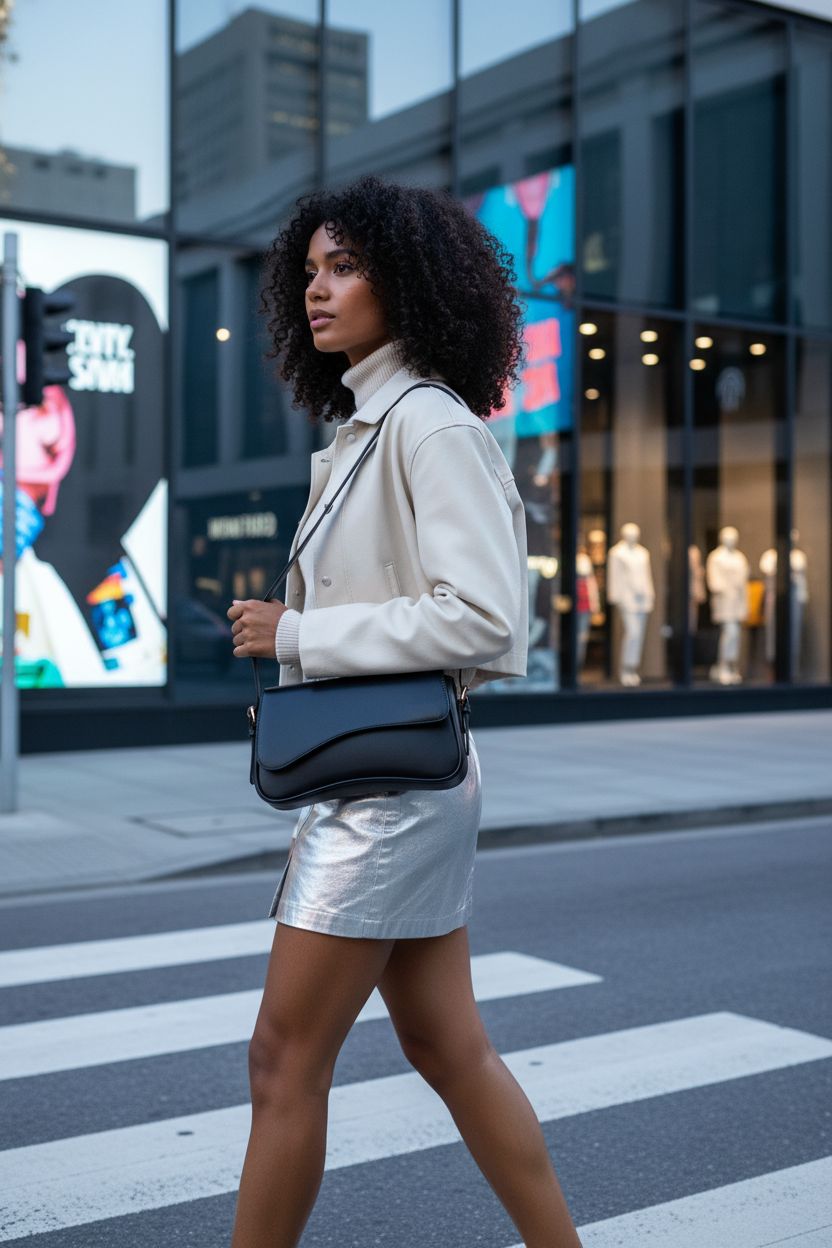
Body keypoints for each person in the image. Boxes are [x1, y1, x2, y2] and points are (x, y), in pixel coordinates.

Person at [226, 175, 583, 1248]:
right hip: (379, 772)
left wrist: (298, 634)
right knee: (445, 1044)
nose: (316, 291)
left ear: (408, 279)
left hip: (388, 791)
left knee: (283, 1058)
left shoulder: (427, 425)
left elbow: (483, 620)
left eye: (344, 266)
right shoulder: (366, 427)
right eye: (309, 272)